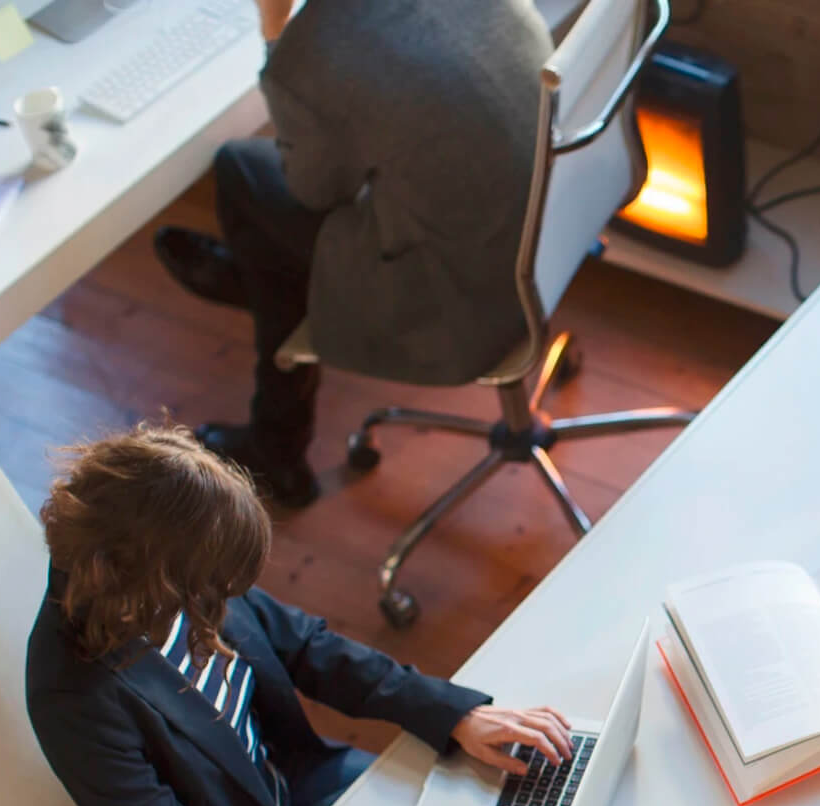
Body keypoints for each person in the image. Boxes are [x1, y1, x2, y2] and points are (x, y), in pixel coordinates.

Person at [27, 425, 573, 806]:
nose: (225, 599)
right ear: (155, 580)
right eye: (210, 587)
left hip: (294, 798)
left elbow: (308, 648)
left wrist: (451, 713)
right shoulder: (77, 699)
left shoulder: (175, 561)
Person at [153, 0, 553, 507]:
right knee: (290, 214)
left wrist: (276, 28)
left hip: (459, 304)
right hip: (541, 241)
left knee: (241, 172)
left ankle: (276, 440)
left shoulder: (313, 51)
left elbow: (311, 189)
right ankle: (258, 284)